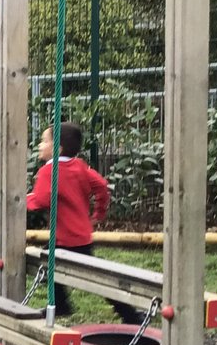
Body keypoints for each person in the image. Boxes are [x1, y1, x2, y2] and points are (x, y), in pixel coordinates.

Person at [26, 121, 144, 323]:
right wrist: (99, 210)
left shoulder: (48, 171)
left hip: (66, 239)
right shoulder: (79, 166)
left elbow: (42, 199)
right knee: (70, 268)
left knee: (62, 266)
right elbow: (101, 185)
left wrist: (24, 199)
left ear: (57, 148)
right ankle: (127, 314)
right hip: (81, 236)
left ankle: (128, 315)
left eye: (44, 141)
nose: (39, 145)